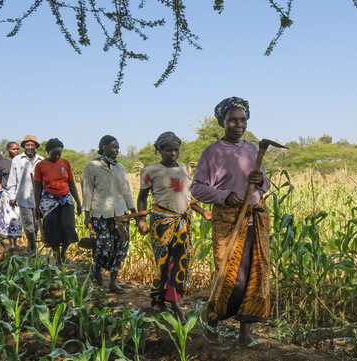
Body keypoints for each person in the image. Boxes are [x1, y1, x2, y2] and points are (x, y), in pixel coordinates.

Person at [191, 97, 271, 348]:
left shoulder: (251, 150)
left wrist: (260, 181)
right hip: (228, 223)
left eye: (243, 119)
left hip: (255, 220)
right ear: (222, 122)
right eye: (233, 120)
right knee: (229, 276)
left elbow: (265, 185)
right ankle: (211, 321)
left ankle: (245, 334)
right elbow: (197, 188)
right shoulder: (213, 152)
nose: (239, 124)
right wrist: (225, 196)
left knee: (254, 277)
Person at [137, 131, 211, 320]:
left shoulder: (184, 169)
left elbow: (186, 198)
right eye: (168, 150)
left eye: (176, 150)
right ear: (159, 150)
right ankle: (168, 302)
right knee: (164, 262)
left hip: (183, 221)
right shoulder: (149, 171)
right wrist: (142, 220)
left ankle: (170, 299)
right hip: (162, 222)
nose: (173, 153)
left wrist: (203, 212)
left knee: (181, 262)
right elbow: (142, 199)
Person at [82, 135, 137, 293]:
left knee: (120, 247)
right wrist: (87, 214)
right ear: (104, 147)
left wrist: (134, 212)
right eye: (114, 147)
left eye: (118, 147)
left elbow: (126, 191)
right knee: (103, 247)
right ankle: (97, 266)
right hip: (100, 213)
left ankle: (113, 282)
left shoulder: (120, 168)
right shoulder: (92, 166)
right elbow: (87, 191)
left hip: (121, 214)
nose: (117, 150)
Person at [34, 138, 81, 266]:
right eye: (54, 153)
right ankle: (57, 256)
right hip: (49, 201)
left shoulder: (65, 163)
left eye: (59, 153)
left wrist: (78, 202)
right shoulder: (40, 166)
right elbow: (37, 187)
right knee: (52, 229)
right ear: (48, 151)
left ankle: (63, 252)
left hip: (65, 199)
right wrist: (36, 205)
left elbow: (71, 183)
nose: (56, 156)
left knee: (68, 227)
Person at [7, 135, 44, 256]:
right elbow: (12, 179)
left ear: (35, 147)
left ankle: (30, 243)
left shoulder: (41, 160)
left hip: (38, 198)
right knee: (28, 224)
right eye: (27, 145)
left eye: (32, 145)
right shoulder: (17, 160)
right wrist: (12, 196)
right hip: (23, 197)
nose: (30, 147)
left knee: (36, 223)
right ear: (24, 147)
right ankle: (33, 248)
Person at [0, 142, 22, 248]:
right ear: (8, 150)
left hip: (19, 194)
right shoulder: (2, 163)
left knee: (17, 218)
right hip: (7, 194)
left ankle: (15, 242)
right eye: (14, 149)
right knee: (8, 219)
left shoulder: (21, 161)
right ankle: (10, 243)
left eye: (17, 149)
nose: (16, 151)